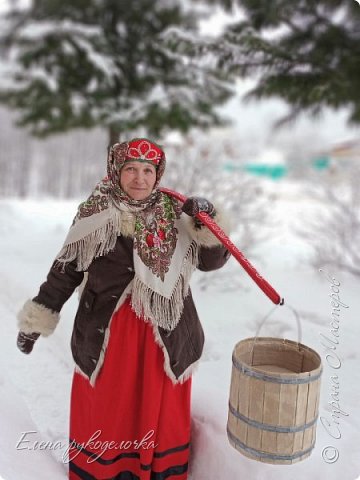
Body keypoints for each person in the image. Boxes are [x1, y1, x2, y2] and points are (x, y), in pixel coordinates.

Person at [16, 138, 231, 480]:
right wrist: (38, 316)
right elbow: (66, 270)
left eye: (148, 170)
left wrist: (207, 222)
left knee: (155, 407)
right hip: (107, 335)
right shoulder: (94, 212)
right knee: (108, 406)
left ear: (157, 173)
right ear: (117, 171)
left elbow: (212, 261)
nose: (139, 178)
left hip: (164, 334)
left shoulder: (175, 214)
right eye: (131, 169)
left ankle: (157, 469)